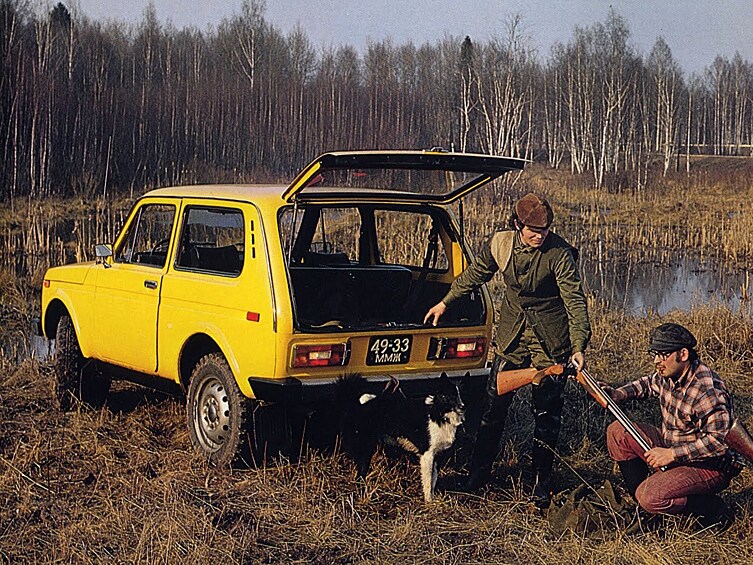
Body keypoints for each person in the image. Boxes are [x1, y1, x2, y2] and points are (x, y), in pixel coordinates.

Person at [424, 193, 591, 506]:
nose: (539, 236)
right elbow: (476, 274)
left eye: (544, 231)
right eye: (532, 230)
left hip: (549, 341)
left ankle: (541, 483)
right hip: (512, 336)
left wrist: (578, 345)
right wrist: (446, 302)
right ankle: (478, 475)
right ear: (517, 224)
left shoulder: (560, 254)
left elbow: (575, 301)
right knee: (491, 409)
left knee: (546, 413)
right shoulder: (501, 244)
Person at [602, 322, 741, 528]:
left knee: (650, 496)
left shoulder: (707, 390)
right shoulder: (668, 374)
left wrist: (672, 455)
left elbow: (719, 442)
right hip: (673, 448)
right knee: (617, 431)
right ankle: (643, 507)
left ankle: (712, 508)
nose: (657, 361)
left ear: (683, 354)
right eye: (654, 354)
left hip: (708, 466)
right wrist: (618, 394)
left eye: (663, 354)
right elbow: (648, 384)